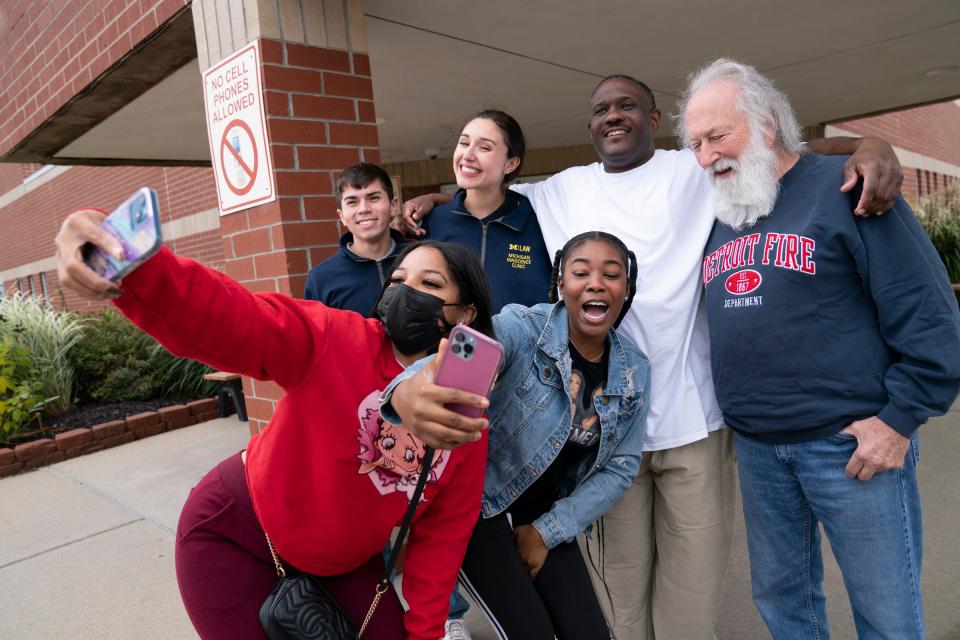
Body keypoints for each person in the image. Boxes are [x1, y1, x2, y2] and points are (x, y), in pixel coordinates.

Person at [400, 75, 905, 639]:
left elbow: (786, 156)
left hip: (693, 423)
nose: (612, 116)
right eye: (600, 109)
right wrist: (437, 202)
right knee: (621, 602)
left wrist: (869, 147)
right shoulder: (558, 200)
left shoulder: (691, 167)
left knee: (686, 609)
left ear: (654, 115)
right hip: (604, 440)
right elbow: (490, 201)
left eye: (626, 106)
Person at [55, 215, 495, 640]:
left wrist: (426, 634)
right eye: (397, 280)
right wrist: (130, 262)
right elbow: (232, 317)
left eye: (430, 284)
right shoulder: (333, 338)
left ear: (465, 314)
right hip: (238, 534)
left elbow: (442, 538)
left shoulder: (466, 419)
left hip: (345, 564)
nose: (405, 292)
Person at [679, 58, 960, 640]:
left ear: (767, 126)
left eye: (717, 135)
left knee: (886, 615)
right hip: (758, 449)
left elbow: (931, 317)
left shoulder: (848, 190)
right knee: (785, 608)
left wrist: (899, 421)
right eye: (695, 143)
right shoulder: (720, 209)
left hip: (852, 447)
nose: (705, 156)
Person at [382, 231, 650, 640]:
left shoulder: (635, 369)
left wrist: (547, 532)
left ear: (626, 288)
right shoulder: (523, 327)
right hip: (479, 509)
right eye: (581, 272)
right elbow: (473, 350)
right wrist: (409, 389)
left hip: (545, 515)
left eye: (611, 274)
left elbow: (620, 467)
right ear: (561, 283)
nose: (596, 282)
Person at [421, 110, 551, 310]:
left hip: (522, 341)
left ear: (510, 163)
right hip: (450, 341)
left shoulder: (539, 223)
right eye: (464, 143)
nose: (468, 155)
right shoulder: (432, 223)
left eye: (484, 147)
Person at [303, 162, 405, 314]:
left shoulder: (421, 258)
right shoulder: (321, 279)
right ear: (342, 216)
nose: (364, 209)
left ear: (393, 205)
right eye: (352, 202)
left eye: (374, 198)